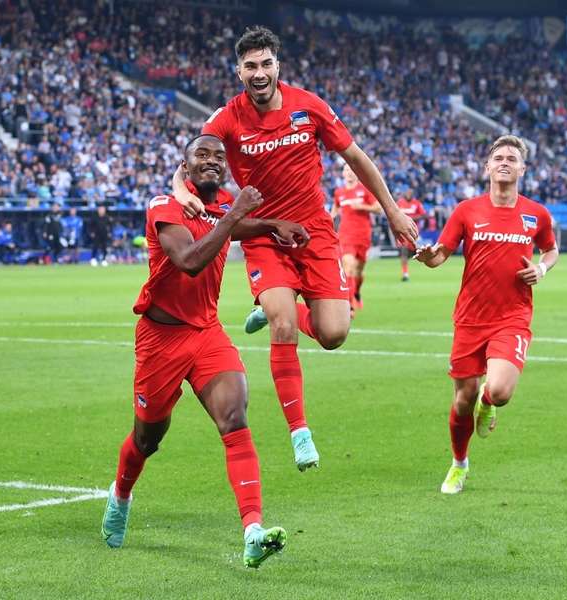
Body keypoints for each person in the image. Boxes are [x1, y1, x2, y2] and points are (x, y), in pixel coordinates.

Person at [172, 26, 418, 470]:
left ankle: (272, 309)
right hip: (266, 235)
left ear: (277, 66)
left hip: (316, 235)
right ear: (239, 71)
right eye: (250, 66)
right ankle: (300, 432)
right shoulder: (227, 118)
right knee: (284, 325)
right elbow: (188, 159)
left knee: (334, 334)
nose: (259, 72)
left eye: (266, 63)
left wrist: (394, 210)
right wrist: (181, 190)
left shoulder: (309, 106)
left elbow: (357, 158)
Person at [102, 135, 309, 567]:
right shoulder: (164, 206)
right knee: (148, 438)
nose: (212, 161)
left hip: (206, 333)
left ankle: (253, 530)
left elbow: (232, 226)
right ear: (185, 164)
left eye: (219, 156)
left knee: (234, 418)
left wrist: (271, 225)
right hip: (161, 339)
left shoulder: (220, 206)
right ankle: (121, 494)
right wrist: (236, 215)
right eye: (202, 155)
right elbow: (190, 260)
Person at [414, 135, 559, 494]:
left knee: (500, 389)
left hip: (513, 315)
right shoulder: (467, 210)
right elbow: (440, 255)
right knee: (462, 400)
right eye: (499, 158)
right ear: (487, 168)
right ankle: (459, 464)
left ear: (522, 169)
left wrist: (542, 270)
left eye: (512, 158)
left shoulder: (536, 213)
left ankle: (489, 402)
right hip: (470, 318)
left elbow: (551, 250)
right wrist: (427, 256)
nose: (505, 162)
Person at [330, 164, 381, 314]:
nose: (349, 173)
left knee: (358, 271)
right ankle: (349, 305)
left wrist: (362, 206)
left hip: (363, 235)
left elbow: (378, 208)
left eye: (352, 170)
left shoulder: (364, 190)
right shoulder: (339, 193)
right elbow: (334, 212)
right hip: (345, 234)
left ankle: (356, 291)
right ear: (343, 174)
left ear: (357, 173)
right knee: (349, 268)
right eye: (346, 171)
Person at [395, 189, 429, 282]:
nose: (409, 195)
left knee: (415, 253)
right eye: (407, 193)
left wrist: (412, 218)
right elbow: (394, 214)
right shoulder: (399, 203)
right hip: (402, 232)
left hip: (414, 232)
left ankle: (427, 269)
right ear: (405, 194)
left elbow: (424, 215)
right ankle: (405, 273)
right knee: (403, 252)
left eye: (411, 193)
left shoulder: (417, 203)